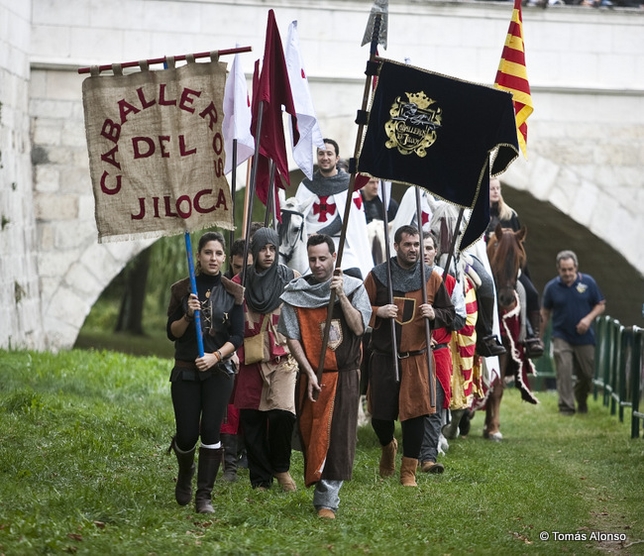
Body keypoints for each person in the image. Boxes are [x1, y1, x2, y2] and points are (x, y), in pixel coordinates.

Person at [278, 234, 372, 519]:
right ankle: (321, 489)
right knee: (312, 432)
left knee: (338, 436)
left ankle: (327, 501)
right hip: (313, 376)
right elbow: (292, 336)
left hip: (344, 374)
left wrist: (340, 294)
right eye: (313, 259)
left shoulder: (354, 287)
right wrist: (308, 371)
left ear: (334, 257)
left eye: (323, 258)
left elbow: (358, 328)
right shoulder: (296, 292)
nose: (317, 264)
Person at [364, 225, 455, 487]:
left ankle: (408, 472)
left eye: (417, 244)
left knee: (415, 415)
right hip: (384, 356)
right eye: (408, 245)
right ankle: (387, 446)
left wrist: (435, 314)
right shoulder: (378, 276)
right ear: (396, 246)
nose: (414, 249)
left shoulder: (432, 278)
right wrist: (377, 312)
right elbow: (358, 307)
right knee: (381, 416)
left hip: (416, 357)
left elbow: (450, 313)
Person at [166, 231, 244, 513]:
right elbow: (171, 334)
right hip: (186, 372)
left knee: (211, 431)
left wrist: (215, 356)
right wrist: (187, 314)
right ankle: (186, 471)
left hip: (219, 373)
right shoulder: (182, 289)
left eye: (218, 253)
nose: (213, 258)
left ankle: (204, 497)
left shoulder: (234, 292)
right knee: (187, 435)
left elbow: (237, 336)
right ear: (198, 256)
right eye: (208, 252)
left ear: (224, 257)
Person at [233, 228, 299, 491]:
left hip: (283, 356)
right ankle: (260, 479)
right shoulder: (239, 282)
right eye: (263, 249)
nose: (269, 254)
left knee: (284, 414)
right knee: (252, 420)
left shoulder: (291, 278)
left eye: (272, 248)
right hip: (250, 356)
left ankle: (281, 469)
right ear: (255, 251)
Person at [418, 232, 466, 474]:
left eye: (428, 247)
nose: (424, 252)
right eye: (420, 247)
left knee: (435, 405)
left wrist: (437, 315)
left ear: (435, 251)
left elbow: (459, 319)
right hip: (411, 352)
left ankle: (428, 455)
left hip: (438, 352)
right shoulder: (404, 279)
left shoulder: (448, 280)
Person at [294, 138, 373, 279]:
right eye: (321, 154)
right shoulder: (306, 185)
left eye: (329, 154)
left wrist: (321, 233)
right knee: (299, 277)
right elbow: (296, 217)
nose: (325, 158)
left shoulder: (349, 185)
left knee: (354, 275)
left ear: (337, 158)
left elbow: (347, 217)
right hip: (310, 245)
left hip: (341, 243)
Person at [541, 250, 606, 415]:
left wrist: (588, 319)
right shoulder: (551, 288)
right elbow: (545, 313)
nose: (567, 273)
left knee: (587, 375)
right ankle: (566, 407)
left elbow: (600, 305)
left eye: (570, 269)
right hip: (561, 335)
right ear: (558, 269)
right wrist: (539, 337)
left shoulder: (588, 283)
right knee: (564, 370)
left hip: (584, 337)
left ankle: (581, 399)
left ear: (576, 267)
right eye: (564, 270)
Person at [486, 177, 544, 358]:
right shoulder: (478, 215)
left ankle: (531, 336)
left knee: (530, 292)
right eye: (491, 188)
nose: (495, 191)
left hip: (510, 269)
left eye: (498, 188)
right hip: (488, 266)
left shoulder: (510, 215)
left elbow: (519, 245)